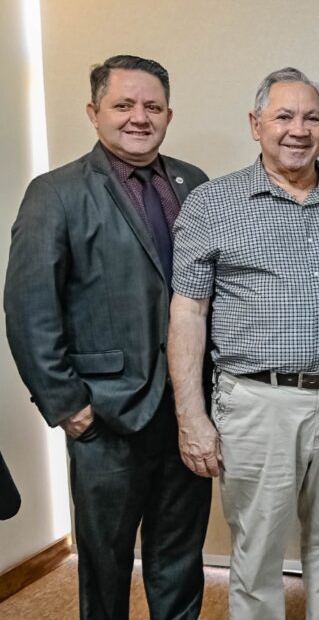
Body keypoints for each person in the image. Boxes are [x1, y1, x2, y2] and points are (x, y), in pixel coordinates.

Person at [5, 55, 211, 618]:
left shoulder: (194, 183)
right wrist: (68, 406)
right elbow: (29, 308)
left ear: (169, 114)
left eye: (152, 106)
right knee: (106, 563)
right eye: (124, 105)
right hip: (105, 417)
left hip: (187, 410)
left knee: (180, 556)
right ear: (94, 113)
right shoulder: (56, 192)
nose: (139, 117)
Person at [167, 67, 319, 619]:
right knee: (257, 548)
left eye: (311, 118)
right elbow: (188, 312)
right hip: (256, 403)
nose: (298, 130)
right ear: (255, 124)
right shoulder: (212, 204)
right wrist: (192, 418)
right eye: (283, 116)